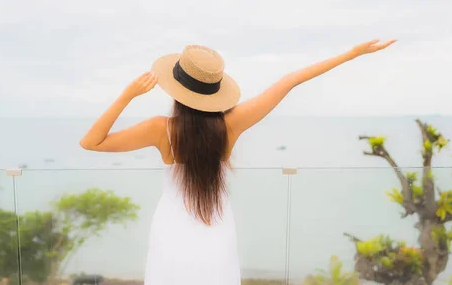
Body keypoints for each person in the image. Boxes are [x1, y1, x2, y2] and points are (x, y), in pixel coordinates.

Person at [79, 39, 396, 285]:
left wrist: (128, 94)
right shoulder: (231, 123)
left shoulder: (160, 129)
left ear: (176, 90)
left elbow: (90, 142)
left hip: (171, 231)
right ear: (215, 91)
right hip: (216, 228)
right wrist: (352, 53)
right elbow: (289, 81)